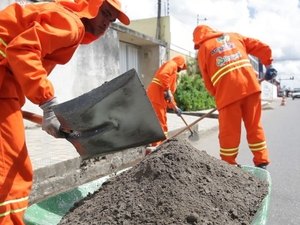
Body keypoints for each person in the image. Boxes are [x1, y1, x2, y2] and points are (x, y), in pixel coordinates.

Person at [0, 0, 129, 224]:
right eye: (105, 13)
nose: (107, 22)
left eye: (112, 19)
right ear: (91, 6)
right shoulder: (71, 24)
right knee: (13, 174)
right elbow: (21, 49)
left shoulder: (62, 17)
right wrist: (48, 103)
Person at [192, 25, 277, 169]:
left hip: (227, 95)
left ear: (198, 39)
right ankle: (261, 161)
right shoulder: (235, 36)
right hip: (251, 87)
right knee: (254, 126)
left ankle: (229, 164)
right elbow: (262, 46)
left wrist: (218, 94)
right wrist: (268, 64)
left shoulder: (204, 49)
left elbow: (207, 80)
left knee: (229, 132)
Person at [146, 56, 187, 151]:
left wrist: (175, 107)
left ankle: (161, 146)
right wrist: (167, 89)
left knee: (162, 122)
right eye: (182, 67)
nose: (181, 69)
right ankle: (157, 147)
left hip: (160, 101)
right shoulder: (172, 64)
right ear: (180, 63)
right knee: (160, 123)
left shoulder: (173, 76)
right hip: (156, 97)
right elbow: (163, 74)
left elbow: (169, 96)